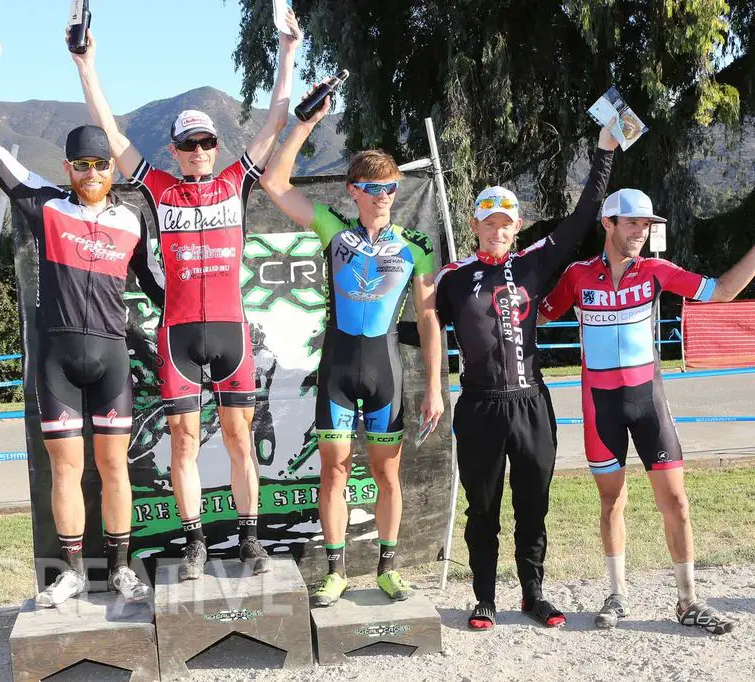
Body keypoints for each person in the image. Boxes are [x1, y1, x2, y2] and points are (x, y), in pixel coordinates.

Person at [72, 11, 303, 580]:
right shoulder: (156, 184)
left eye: (206, 143)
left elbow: (277, 117)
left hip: (231, 332)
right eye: (188, 144)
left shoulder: (236, 180)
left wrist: (287, 47)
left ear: (216, 146)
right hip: (177, 335)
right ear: (174, 150)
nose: (198, 151)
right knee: (182, 442)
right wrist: (86, 65)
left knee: (239, 439)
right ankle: (195, 540)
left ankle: (250, 541)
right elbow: (111, 130)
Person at [0, 22, 165, 606]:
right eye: (81, 165)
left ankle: (123, 569)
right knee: (65, 469)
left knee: (113, 468)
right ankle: (75, 571)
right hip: (56, 359)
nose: (92, 173)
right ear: (68, 166)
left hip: (109, 357)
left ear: (112, 169)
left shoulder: (133, 218)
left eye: (101, 165)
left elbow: (159, 288)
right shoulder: (45, 206)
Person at [258, 93, 444, 606]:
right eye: (373, 188)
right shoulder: (333, 231)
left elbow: (428, 317)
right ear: (354, 191)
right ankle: (337, 570)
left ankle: (388, 567)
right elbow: (274, 183)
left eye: (390, 187)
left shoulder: (417, 245)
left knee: (387, 473)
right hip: (339, 368)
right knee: (334, 469)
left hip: (385, 369)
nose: (384, 195)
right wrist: (304, 122)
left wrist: (435, 387)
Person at [540, 188, 752, 634]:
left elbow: (723, 292)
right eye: (633, 223)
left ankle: (689, 599)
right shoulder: (578, 276)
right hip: (600, 405)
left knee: (676, 501)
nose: (641, 231)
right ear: (609, 224)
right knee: (610, 500)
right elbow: (537, 314)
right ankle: (617, 593)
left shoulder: (656, 270)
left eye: (647, 224)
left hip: (648, 400)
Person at [433, 122, 618, 630]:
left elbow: (584, 217)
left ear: (518, 227)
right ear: (475, 225)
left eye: (506, 223)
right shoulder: (451, 277)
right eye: (489, 222)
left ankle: (534, 592)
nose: (497, 230)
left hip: (531, 402)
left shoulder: (535, 263)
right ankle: (485, 596)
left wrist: (602, 150)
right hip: (479, 406)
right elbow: (423, 332)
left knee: (534, 501)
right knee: (483, 507)